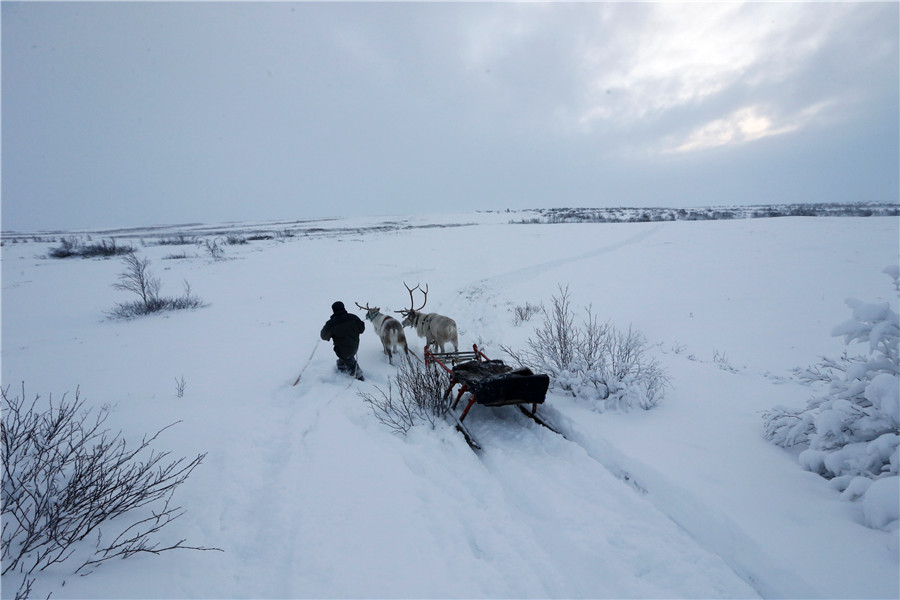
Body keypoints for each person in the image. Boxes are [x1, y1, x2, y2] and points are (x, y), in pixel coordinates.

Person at [320, 301, 365, 380]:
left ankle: (359, 378)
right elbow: (362, 329)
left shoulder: (332, 323)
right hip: (354, 345)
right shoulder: (353, 317)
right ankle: (342, 369)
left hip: (342, 350)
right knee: (345, 358)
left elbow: (324, 336)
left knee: (348, 359)